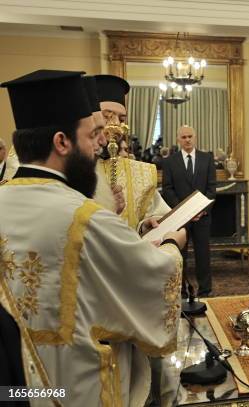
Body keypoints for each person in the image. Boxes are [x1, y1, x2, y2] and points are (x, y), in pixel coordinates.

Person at [0, 69, 186, 406]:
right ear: (62, 141)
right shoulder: (83, 216)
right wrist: (172, 243)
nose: (99, 146)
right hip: (72, 388)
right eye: (91, 137)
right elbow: (156, 277)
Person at [93, 74, 170, 231]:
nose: (115, 125)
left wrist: (146, 225)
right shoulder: (73, 167)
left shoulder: (142, 172)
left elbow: (153, 215)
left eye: (121, 119)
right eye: (107, 117)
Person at [162, 125, 216, 297]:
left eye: (190, 136)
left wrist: (201, 210)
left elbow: (211, 189)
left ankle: (205, 290)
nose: (187, 140)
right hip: (180, 219)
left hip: (202, 217)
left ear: (195, 137)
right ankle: (182, 290)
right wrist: (182, 211)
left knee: (203, 255)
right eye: (184, 137)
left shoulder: (206, 159)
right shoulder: (170, 161)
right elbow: (167, 189)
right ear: (178, 139)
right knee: (180, 256)